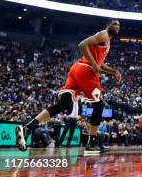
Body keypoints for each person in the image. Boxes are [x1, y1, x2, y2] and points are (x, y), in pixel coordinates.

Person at [16, 19, 122, 154]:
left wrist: (114, 71)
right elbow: (82, 45)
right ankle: (92, 142)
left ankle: (28, 127)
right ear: (108, 26)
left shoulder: (107, 41)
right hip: (86, 70)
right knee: (99, 105)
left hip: (77, 70)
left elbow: (99, 63)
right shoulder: (104, 34)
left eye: (119, 25)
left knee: (63, 104)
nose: (117, 26)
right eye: (114, 24)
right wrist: (94, 65)